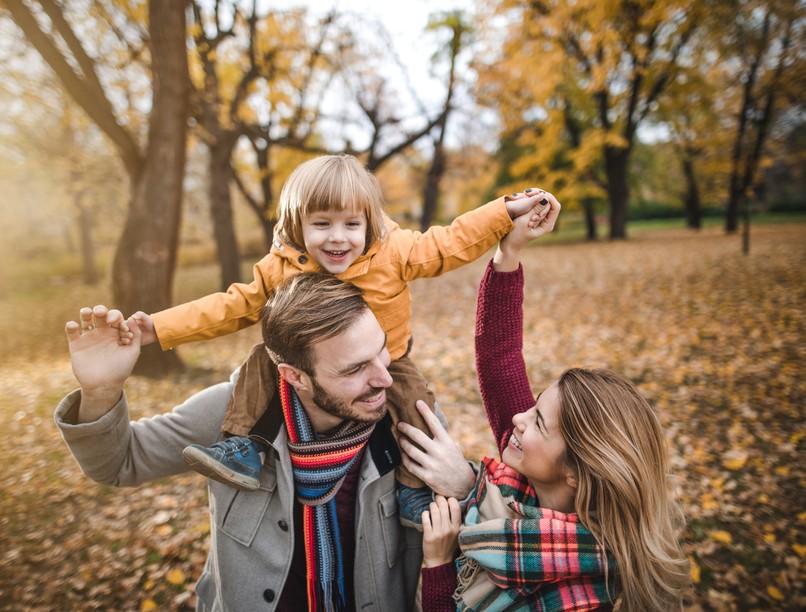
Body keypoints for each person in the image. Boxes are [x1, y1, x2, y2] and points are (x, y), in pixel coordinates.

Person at [117, 154, 545, 527]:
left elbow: (450, 241)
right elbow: (231, 306)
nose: (337, 237)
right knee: (258, 364)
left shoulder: (394, 251)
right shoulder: (282, 268)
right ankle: (245, 444)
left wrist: (506, 212)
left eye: (351, 224)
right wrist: (160, 327)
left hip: (391, 357)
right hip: (306, 360)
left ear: (369, 223)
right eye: (321, 224)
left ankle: (413, 489)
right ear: (297, 225)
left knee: (417, 408)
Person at [56, 273, 474, 611]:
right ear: (295, 376)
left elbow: (475, 542)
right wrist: (101, 391)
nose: (384, 377)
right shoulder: (234, 415)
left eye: (381, 351)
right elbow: (118, 463)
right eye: (355, 369)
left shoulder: (409, 420)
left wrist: (464, 485)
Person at [398, 193, 690, 611]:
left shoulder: (572, 597)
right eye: (534, 406)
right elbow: (500, 357)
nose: (518, 417)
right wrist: (510, 250)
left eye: (538, 422)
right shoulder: (531, 478)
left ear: (576, 473)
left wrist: (439, 562)